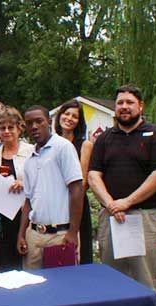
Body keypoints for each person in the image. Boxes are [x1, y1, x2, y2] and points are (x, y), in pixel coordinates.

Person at [88, 84, 156, 289]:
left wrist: (127, 202)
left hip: (144, 216)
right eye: (120, 103)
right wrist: (111, 204)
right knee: (111, 277)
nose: (124, 107)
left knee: (145, 278)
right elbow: (93, 175)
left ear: (140, 106)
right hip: (111, 217)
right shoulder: (105, 139)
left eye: (129, 102)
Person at [16, 106, 83, 269]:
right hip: (34, 236)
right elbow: (28, 201)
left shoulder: (63, 148)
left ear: (50, 122)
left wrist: (73, 232)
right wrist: (21, 234)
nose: (34, 127)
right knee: (33, 288)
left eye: (39, 121)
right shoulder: (30, 159)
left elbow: (77, 189)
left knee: (62, 288)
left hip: (60, 235)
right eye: (29, 123)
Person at [0, 109, 34, 271]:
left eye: (11, 127)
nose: (7, 131)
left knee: (27, 266)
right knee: (3, 268)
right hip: (0, 221)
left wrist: (24, 185)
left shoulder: (32, 152)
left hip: (26, 218)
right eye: (2, 128)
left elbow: (43, 183)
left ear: (19, 128)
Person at [54, 100, 94, 264]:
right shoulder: (50, 143)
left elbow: (83, 182)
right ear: (60, 116)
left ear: (79, 122)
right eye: (66, 113)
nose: (69, 118)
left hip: (75, 204)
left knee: (77, 254)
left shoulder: (85, 145)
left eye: (74, 116)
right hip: (53, 205)